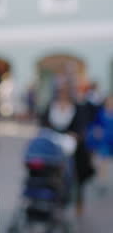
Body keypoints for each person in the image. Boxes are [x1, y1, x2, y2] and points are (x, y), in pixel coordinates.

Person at [40, 85, 95, 217]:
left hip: (72, 149)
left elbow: (80, 127)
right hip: (53, 146)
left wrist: (73, 136)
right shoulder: (51, 106)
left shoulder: (77, 108)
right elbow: (44, 123)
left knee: (74, 175)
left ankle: (76, 201)